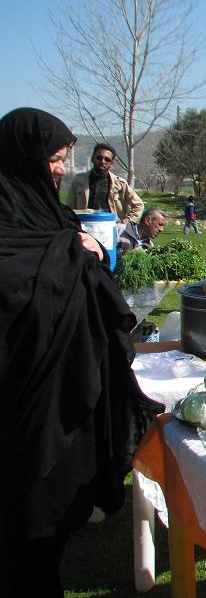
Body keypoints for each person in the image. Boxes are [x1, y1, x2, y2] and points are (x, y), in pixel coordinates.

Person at [0, 108, 162, 595]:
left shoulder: (50, 213)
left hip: (68, 391)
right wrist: (73, 254)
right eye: (52, 158)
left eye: (63, 158)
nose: (59, 168)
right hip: (26, 400)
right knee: (24, 521)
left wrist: (87, 250)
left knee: (52, 523)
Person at [68, 142, 144, 223]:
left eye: (107, 160)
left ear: (111, 163)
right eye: (99, 158)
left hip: (111, 227)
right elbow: (69, 209)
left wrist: (124, 223)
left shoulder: (120, 184)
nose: (102, 162)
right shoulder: (79, 181)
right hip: (85, 226)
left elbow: (138, 205)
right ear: (92, 159)